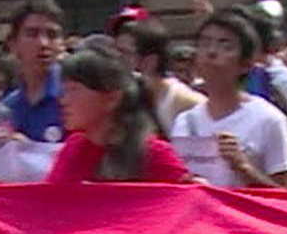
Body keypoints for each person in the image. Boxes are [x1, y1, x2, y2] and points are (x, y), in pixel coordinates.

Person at [170, 11, 287, 189]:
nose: (212, 52)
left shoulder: (269, 120)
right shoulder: (184, 121)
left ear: (245, 64)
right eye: (204, 44)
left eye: (225, 46)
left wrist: (245, 169)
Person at [47, 49, 191, 184]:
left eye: (74, 89)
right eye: (64, 90)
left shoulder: (153, 154)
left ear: (112, 99)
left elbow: (193, 197)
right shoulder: (72, 149)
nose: (63, 100)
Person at [0, 0, 67, 142]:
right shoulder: (7, 107)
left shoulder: (73, 100)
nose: (43, 43)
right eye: (32, 34)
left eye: (52, 35)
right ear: (13, 44)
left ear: (62, 44)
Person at [117, 16, 201, 132]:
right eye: (116, 51)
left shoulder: (183, 100)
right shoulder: (123, 97)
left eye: (125, 53)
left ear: (150, 61)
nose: (117, 59)